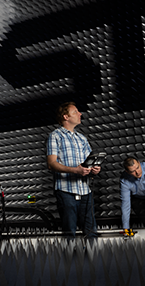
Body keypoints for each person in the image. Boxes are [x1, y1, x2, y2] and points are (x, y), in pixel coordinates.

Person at [46, 102, 100, 238]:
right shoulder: (55, 136)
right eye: (75, 112)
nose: (80, 114)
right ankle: (70, 259)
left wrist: (94, 168)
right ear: (66, 117)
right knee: (70, 233)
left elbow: (89, 161)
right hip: (66, 191)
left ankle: (91, 258)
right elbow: (51, 164)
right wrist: (76, 170)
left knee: (91, 232)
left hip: (85, 191)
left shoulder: (82, 138)